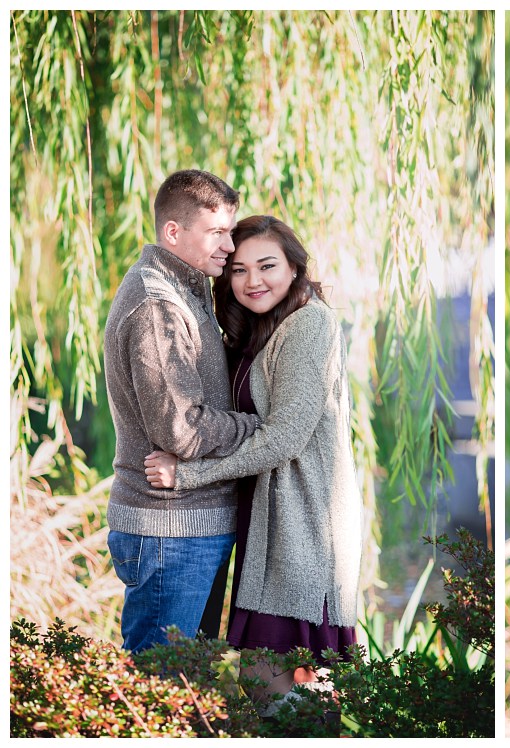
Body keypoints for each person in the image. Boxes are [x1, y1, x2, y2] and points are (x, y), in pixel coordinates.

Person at [143, 215, 362, 707]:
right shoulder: (258, 329)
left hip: (305, 524)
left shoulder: (309, 323)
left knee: (284, 679)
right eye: (238, 270)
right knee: (268, 679)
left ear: (294, 267)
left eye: (266, 266)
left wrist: (188, 474)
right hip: (267, 524)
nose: (252, 281)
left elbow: (283, 439)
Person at [103, 170, 260, 653]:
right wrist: (258, 427)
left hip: (190, 529)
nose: (231, 246)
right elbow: (182, 431)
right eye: (217, 232)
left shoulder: (188, 291)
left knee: (187, 692)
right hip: (169, 533)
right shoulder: (157, 306)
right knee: (160, 696)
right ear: (174, 232)